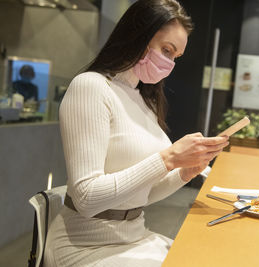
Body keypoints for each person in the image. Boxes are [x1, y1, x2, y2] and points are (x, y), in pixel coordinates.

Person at [44, 0, 229, 266]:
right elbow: (86, 198)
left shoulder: (144, 100)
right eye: (166, 50)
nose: (169, 64)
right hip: (85, 246)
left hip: (133, 237)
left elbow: (138, 198)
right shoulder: (91, 88)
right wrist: (168, 159)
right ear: (138, 34)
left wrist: (184, 173)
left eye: (175, 57)